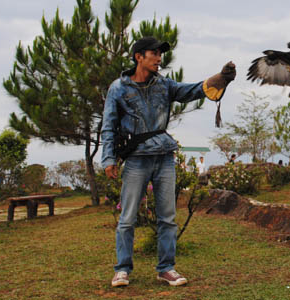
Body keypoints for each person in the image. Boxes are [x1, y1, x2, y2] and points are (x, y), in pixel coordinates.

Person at [101, 36, 236, 288]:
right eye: (154, 53)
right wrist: (108, 158)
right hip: (136, 160)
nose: (159, 58)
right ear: (138, 56)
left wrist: (219, 79)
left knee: (167, 217)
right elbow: (108, 126)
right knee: (127, 217)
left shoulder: (164, 85)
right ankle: (122, 270)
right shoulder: (118, 89)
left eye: (160, 54)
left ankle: (166, 268)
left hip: (164, 157)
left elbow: (190, 91)